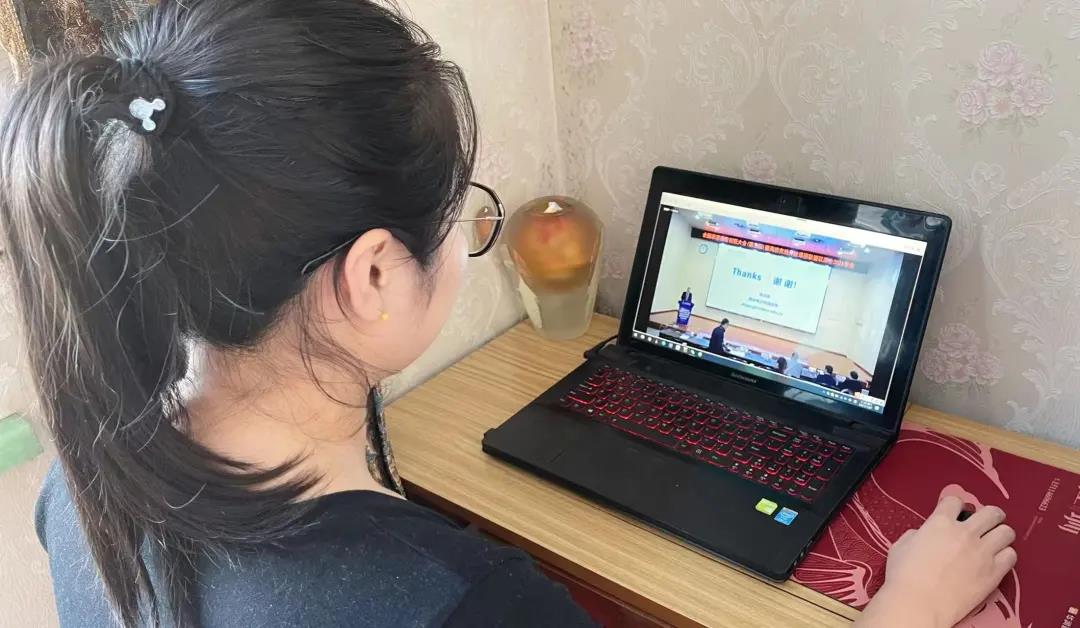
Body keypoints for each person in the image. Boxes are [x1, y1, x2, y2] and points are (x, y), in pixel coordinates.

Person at [0, 1, 1015, 626]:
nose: (465, 241)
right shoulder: (464, 603)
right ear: (372, 275)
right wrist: (906, 610)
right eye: (460, 217)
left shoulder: (78, 494)